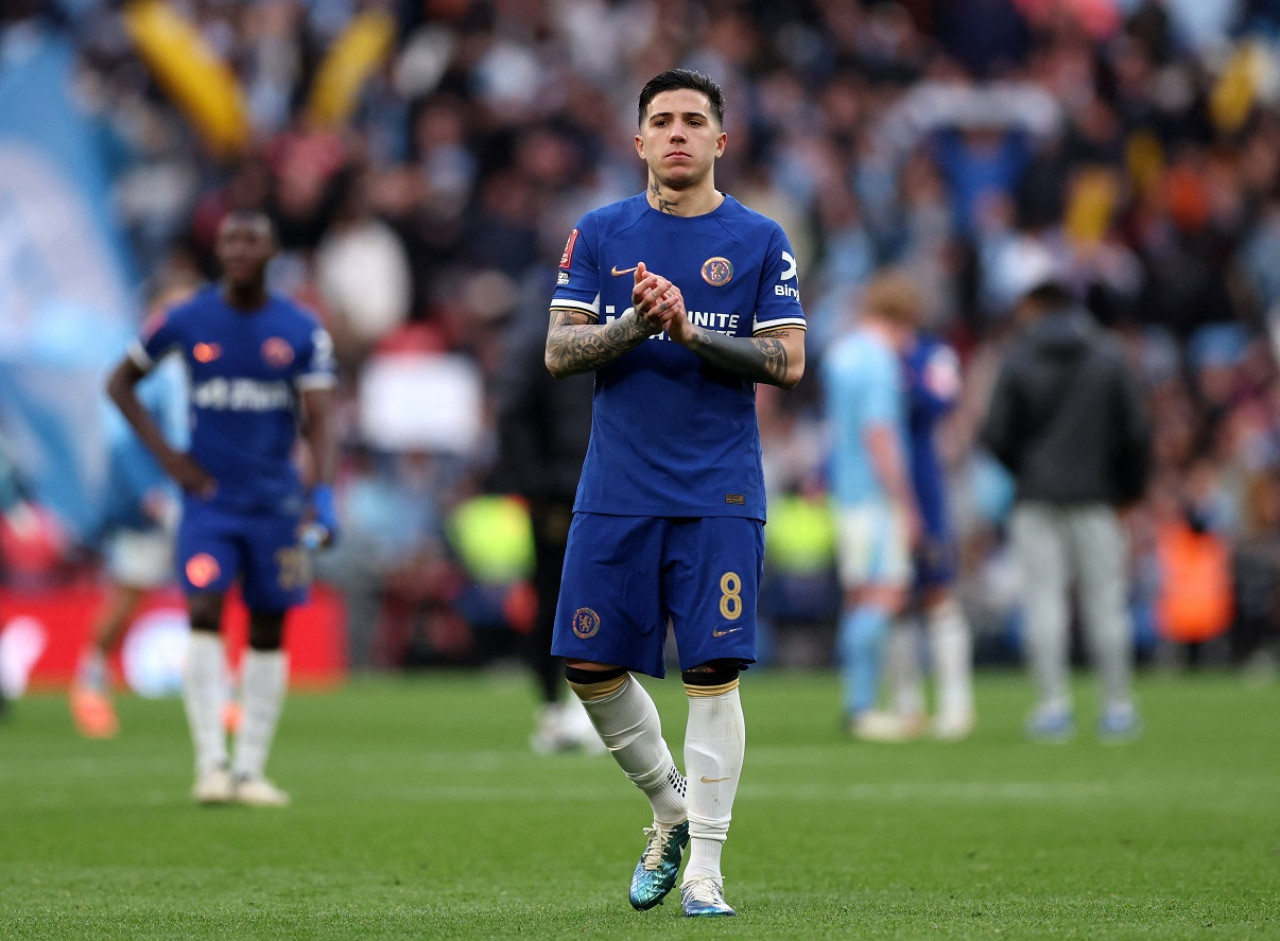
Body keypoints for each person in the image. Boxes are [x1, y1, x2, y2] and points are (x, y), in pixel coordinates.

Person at [544, 68, 806, 918]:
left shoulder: (761, 238)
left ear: (722, 141)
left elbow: (789, 361)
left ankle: (707, 872)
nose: (679, 133)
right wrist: (633, 325)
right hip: (618, 486)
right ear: (640, 142)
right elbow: (558, 349)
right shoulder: (599, 232)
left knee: (712, 668)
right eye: (662, 121)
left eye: (695, 120)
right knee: (588, 664)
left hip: (718, 490)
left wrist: (691, 330)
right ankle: (671, 806)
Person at [105, 210, 339, 804]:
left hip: (276, 506)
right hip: (209, 502)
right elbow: (119, 382)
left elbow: (322, 419)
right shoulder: (185, 318)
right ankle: (210, 763)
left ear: (272, 252)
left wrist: (324, 498)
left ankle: (250, 770)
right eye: (229, 239)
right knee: (204, 612)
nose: (237, 249)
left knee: (268, 628)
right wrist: (169, 458)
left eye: (250, 240)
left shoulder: (301, 328)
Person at [979, 280, 1151, 742]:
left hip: (1036, 497)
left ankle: (1053, 706)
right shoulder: (1109, 355)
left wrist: (1027, 468)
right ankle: (1117, 706)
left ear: (1037, 307)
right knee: (1107, 602)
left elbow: (995, 433)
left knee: (1043, 604)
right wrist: (1127, 489)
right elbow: (1135, 431)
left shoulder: (1018, 357)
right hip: (1097, 497)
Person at [71, 278, 196, 739]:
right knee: (129, 594)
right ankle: (91, 678)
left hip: (195, 497)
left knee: (209, 592)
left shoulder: (199, 365)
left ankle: (216, 691)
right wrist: (151, 493)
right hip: (152, 504)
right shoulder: (141, 368)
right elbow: (122, 442)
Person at [492, 279, 602, 755]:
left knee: (598, 595)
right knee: (556, 595)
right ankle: (555, 706)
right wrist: (536, 481)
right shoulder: (541, 333)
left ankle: (588, 706)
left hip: (602, 485)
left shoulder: (607, 327)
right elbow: (512, 412)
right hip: (560, 490)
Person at [821, 269, 921, 742]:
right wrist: (907, 502)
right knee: (886, 595)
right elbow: (879, 434)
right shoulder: (880, 361)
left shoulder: (841, 354)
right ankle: (861, 707)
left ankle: (859, 702)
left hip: (846, 492)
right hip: (875, 498)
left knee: (861, 596)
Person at [884, 318, 977, 741]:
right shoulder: (870, 358)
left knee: (938, 593)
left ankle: (956, 703)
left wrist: (903, 378)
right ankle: (908, 704)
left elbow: (941, 399)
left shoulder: (931, 354)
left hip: (925, 488)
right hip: (882, 492)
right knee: (893, 598)